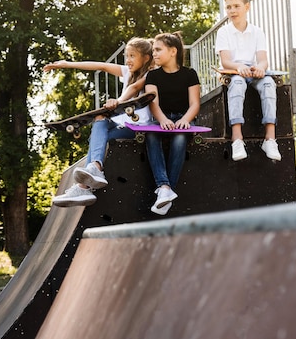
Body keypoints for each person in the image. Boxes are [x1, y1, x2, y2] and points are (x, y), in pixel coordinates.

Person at [44, 37, 154, 206]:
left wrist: (118, 102)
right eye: (127, 56)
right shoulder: (127, 72)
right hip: (121, 124)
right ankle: (94, 168)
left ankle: (84, 186)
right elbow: (100, 65)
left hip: (138, 127)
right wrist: (66, 64)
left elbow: (133, 89)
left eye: (133, 56)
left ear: (146, 58)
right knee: (99, 119)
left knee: (99, 136)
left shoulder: (151, 75)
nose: (128, 60)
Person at [215, 0, 282, 162]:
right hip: (235, 72)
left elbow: (263, 59)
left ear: (247, 7)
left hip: (253, 72)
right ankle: (237, 139)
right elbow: (225, 61)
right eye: (228, 7)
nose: (232, 11)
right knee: (237, 84)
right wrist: (239, 67)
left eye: (236, 6)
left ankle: (270, 139)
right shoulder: (223, 32)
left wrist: (260, 67)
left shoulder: (257, 31)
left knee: (269, 84)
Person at [144, 32, 200, 215]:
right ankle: (164, 187)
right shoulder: (152, 76)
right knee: (151, 135)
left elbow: (195, 104)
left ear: (173, 51)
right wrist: (162, 120)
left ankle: (165, 191)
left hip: (183, 120)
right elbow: (153, 103)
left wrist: (185, 120)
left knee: (179, 138)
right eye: (153, 51)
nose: (155, 54)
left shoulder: (190, 74)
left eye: (158, 50)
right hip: (161, 118)